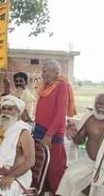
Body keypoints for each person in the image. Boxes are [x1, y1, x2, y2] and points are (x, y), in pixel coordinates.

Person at [57, 93, 104, 196]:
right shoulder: (89, 118)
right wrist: (74, 134)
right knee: (69, 177)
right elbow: (79, 141)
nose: (101, 107)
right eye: (99, 103)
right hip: (89, 161)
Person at [33, 60, 76, 195]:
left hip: (52, 133)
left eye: (45, 71)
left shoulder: (61, 87)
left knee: (54, 167)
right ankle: (40, 190)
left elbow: (60, 114)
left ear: (54, 72)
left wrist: (49, 134)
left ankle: (58, 192)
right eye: (43, 71)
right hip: (39, 130)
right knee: (40, 164)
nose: (42, 74)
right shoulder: (45, 87)